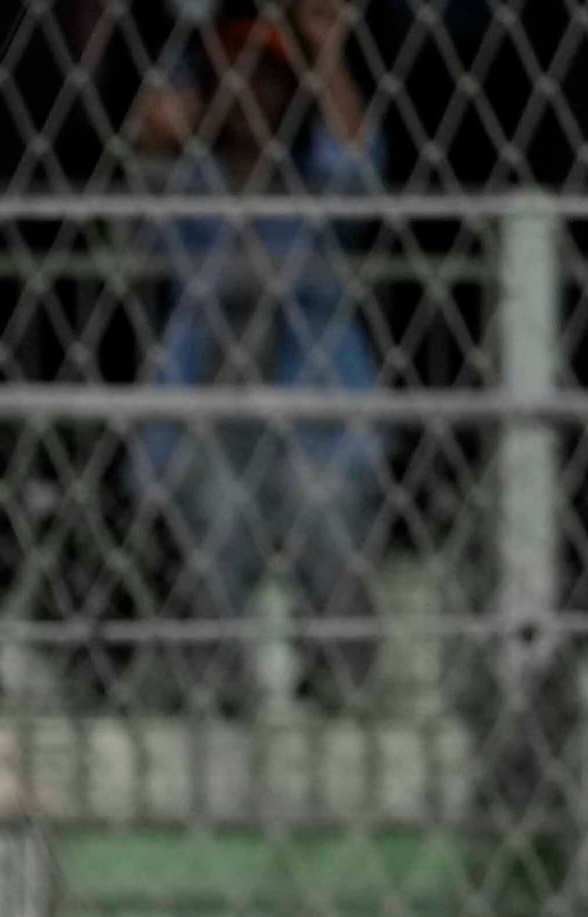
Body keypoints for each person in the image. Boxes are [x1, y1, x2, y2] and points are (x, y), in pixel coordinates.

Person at [125, 8, 386, 681]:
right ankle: (214, 682)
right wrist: (158, 132)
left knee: (321, 500)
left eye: (267, 80)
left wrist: (327, 54)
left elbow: (358, 168)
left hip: (315, 410)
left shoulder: (313, 187)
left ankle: (340, 679)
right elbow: (137, 179)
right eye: (234, 77)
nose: (249, 95)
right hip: (204, 409)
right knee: (216, 504)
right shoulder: (191, 185)